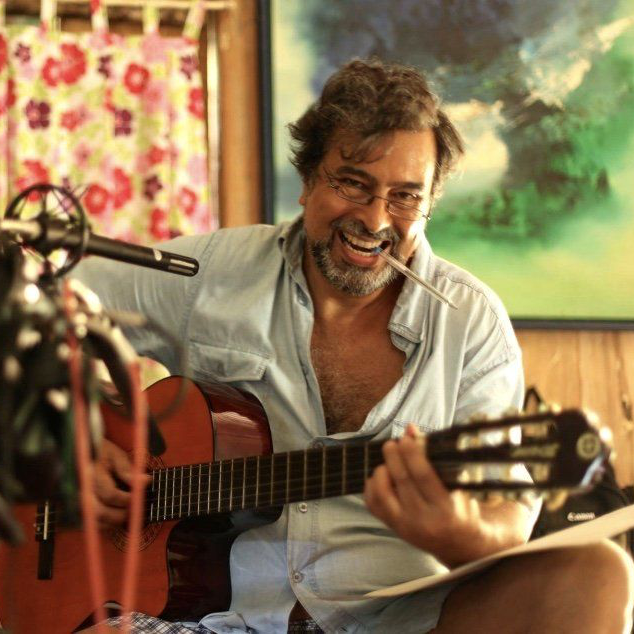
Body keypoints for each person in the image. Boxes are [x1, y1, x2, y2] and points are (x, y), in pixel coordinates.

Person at [76, 59, 634, 633]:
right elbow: (48, 306)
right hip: (220, 620)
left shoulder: (471, 323)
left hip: (405, 623)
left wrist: (455, 531)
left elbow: (508, 518)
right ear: (308, 180)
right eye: (353, 183)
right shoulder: (215, 272)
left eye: (405, 197)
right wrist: (77, 440)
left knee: (597, 573)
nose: (374, 219)